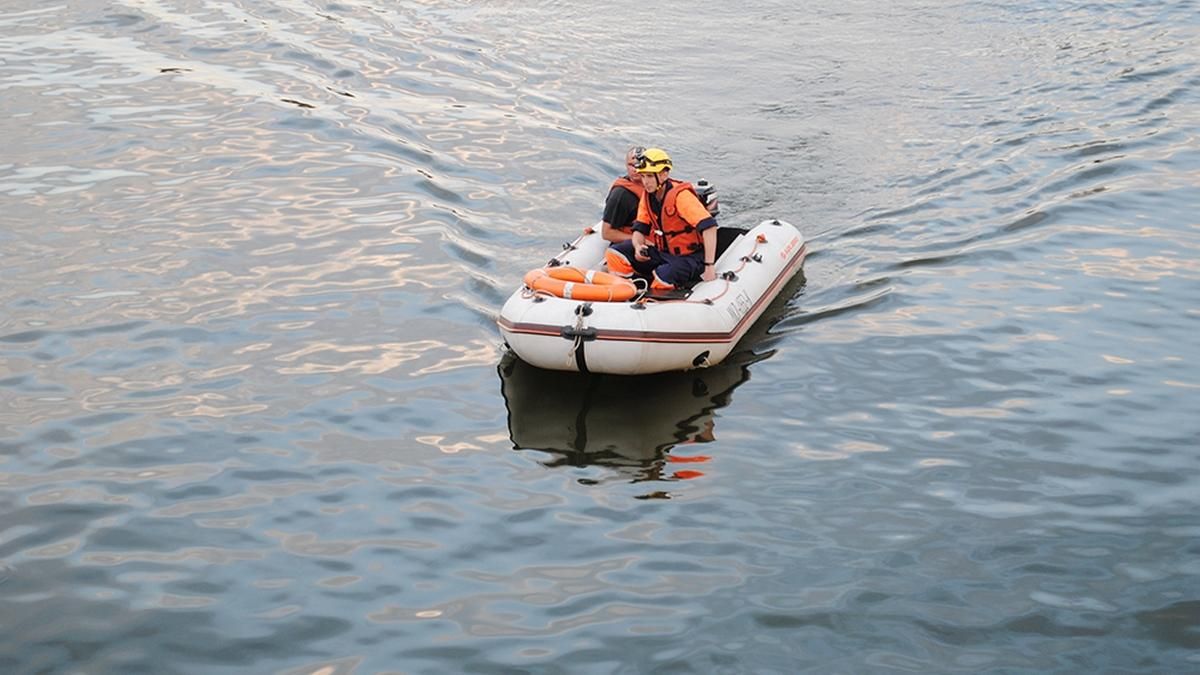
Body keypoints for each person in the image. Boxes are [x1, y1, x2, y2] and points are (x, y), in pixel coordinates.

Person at [604, 148, 719, 290]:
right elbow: (639, 229)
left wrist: (709, 266)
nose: (645, 182)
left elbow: (710, 227)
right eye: (643, 176)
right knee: (614, 253)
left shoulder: (680, 197)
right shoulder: (647, 197)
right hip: (663, 252)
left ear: (664, 174)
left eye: (650, 177)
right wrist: (638, 246)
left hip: (689, 257)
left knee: (662, 278)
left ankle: (654, 301)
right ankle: (625, 290)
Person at [599, 146, 647, 243]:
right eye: (631, 165)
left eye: (639, 165)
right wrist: (640, 240)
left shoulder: (653, 185)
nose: (635, 169)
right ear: (626, 165)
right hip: (635, 241)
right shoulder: (620, 195)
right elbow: (607, 233)